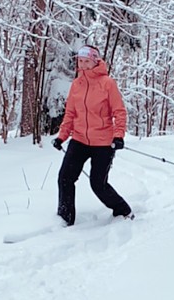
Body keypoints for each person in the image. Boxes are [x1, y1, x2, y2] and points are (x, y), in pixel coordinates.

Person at [52, 44, 133, 226]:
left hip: (103, 142)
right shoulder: (76, 84)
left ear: (95, 61)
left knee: (98, 185)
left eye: (86, 61)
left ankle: (122, 209)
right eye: (80, 61)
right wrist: (61, 137)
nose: (83, 64)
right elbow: (70, 114)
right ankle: (65, 219)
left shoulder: (107, 83)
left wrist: (118, 135)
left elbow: (119, 111)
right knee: (65, 177)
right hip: (79, 139)